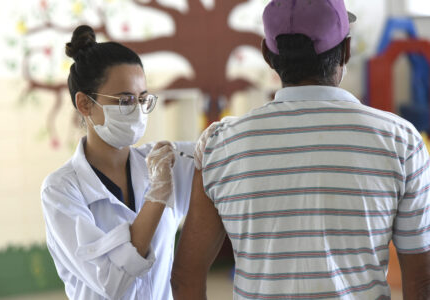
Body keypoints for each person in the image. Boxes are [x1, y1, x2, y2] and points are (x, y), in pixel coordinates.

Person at [171, 1, 430, 299]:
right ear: (345, 50)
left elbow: (184, 277)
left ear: (268, 56)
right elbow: (421, 281)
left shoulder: (220, 145)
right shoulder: (401, 141)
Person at [40, 25, 195, 300]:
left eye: (143, 99)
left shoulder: (160, 161)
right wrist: (157, 195)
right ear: (85, 104)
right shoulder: (60, 190)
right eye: (124, 100)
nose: (137, 111)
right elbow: (112, 281)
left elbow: (223, 154)